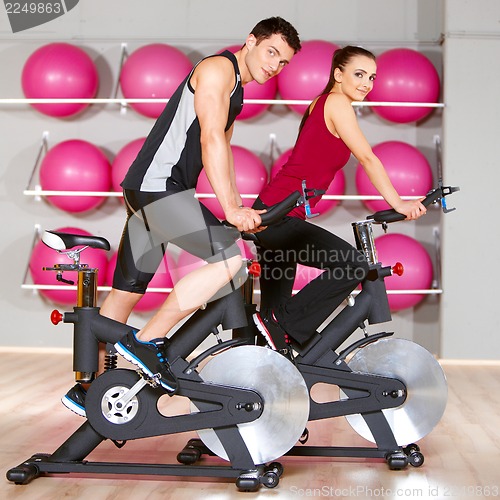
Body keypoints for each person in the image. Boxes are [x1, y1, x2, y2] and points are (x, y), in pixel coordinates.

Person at [62, 17, 301, 417]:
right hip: (160, 188)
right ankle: (147, 342)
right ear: (251, 42)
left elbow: (221, 155)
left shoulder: (235, 91)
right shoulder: (218, 69)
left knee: (126, 292)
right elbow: (209, 138)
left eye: (284, 62)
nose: (275, 65)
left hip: (150, 190)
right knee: (229, 260)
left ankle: (88, 388)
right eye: (271, 52)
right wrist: (230, 210)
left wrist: (237, 209)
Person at [252, 45, 427, 356]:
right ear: (337, 74)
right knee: (352, 264)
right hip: (279, 216)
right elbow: (368, 158)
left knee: (272, 334)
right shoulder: (336, 103)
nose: (366, 83)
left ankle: (263, 366)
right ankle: (283, 321)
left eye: (372, 77)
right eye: (359, 74)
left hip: (272, 211)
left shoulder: (320, 103)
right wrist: (400, 203)